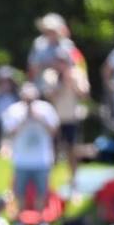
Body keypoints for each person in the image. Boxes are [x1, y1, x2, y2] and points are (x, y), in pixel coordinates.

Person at [2, 82, 59, 225]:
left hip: (42, 160)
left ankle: (42, 222)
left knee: (42, 193)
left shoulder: (46, 109)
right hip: (21, 160)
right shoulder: (14, 111)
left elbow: (54, 131)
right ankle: (19, 222)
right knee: (19, 193)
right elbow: (9, 132)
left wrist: (38, 118)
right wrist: (24, 119)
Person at [42, 48, 90, 189]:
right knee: (52, 150)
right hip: (54, 120)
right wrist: (61, 84)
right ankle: (49, 180)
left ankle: (73, 179)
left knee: (72, 150)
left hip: (71, 117)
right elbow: (49, 95)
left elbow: (84, 94)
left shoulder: (76, 74)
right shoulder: (50, 75)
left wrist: (72, 82)